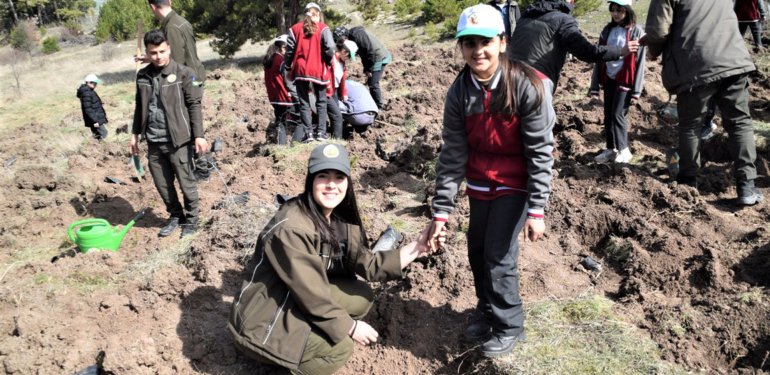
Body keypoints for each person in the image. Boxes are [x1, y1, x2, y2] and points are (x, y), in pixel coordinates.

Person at [228, 143, 443, 375]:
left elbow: (370, 265)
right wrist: (349, 326)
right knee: (339, 348)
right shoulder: (292, 227)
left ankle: (307, 331)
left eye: (339, 177)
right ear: (311, 181)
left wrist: (419, 246)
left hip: (293, 295)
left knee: (362, 297)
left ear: (347, 183)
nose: (332, 184)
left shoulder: (334, 218)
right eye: (323, 176)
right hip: (262, 321)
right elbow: (311, 295)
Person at [424, 5, 555, 358]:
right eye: (469, 43)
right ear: (461, 48)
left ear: (502, 42)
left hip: (515, 184)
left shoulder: (527, 86)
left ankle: (510, 326)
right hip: (480, 184)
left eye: (485, 42)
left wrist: (538, 208)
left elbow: (541, 152)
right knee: (477, 251)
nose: (477, 51)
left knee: (499, 256)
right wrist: (441, 212)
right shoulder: (459, 92)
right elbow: (452, 155)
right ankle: (487, 310)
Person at [645, 0, 764, 205]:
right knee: (739, 123)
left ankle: (688, 182)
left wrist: (652, 51)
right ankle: (747, 186)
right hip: (733, 60)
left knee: (691, 125)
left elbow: (658, 32)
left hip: (695, 64)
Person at [130, 30, 209, 237]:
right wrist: (134, 134)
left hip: (178, 141)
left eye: (162, 51)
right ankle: (176, 215)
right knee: (163, 185)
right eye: (153, 52)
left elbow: (194, 105)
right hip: (154, 141)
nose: (158, 56)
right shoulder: (143, 76)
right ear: (147, 52)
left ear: (169, 49)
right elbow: (140, 107)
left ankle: (192, 220)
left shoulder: (185, 73)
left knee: (186, 183)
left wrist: (199, 135)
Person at [136, 0, 212, 182]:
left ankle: (201, 168)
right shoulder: (180, 20)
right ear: (169, 1)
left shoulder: (170, 28)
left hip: (187, 81)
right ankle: (206, 162)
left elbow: (175, 62)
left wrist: (149, 59)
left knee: (186, 123)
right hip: (195, 76)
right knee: (191, 121)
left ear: (153, 7)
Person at [509, 0, 639, 91]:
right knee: (538, 128)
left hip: (509, 80)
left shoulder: (525, 17)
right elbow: (586, 51)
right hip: (536, 85)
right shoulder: (563, 21)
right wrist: (620, 51)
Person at [589, 0, 646, 164]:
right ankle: (610, 149)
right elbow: (599, 56)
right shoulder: (606, 31)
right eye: (612, 10)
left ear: (627, 11)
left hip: (625, 78)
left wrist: (637, 88)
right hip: (609, 77)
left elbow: (640, 60)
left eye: (619, 10)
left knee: (618, 114)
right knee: (608, 115)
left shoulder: (636, 31)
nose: (615, 14)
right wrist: (595, 83)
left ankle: (624, 150)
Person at [285, 2, 336, 143]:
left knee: (304, 102)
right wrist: (327, 60)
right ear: (319, 14)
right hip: (318, 68)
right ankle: (321, 132)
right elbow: (330, 47)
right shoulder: (323, 28)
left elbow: (289, 52)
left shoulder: (294, 29)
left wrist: (288, 68)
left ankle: (308, 134)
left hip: (300, 70)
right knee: (321, 101)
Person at [332, 26, 391, 110]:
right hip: (372, 57)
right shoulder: (351, 39)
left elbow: (369, 52)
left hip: (378, 57)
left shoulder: (358, 35)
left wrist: (369, 68)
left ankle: (379, 108)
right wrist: (366, 68)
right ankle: (374, 104)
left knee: (373, 83)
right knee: (371, 82)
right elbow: (363, 54)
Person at [264, 34, 295, 145]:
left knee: (280, 122)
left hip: (274, 97)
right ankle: (294, 144)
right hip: (284, 97)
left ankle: (281, 145)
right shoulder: (280, 60)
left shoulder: (270, 58)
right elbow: (288, 78)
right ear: (283, 47)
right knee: (299, 119)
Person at [325, 41, 356, 139]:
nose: (349, 59)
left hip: (334, 90)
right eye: (348, 56)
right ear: (343, 51)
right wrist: (327, 86)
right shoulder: (331, 59)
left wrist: (343, 93)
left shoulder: (342, 63)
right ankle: (338, 140)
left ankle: (336, 136)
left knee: (335, 115)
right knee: (337, 116)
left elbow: (342, 79)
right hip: (326, 91)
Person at [77, 74, 109, 141]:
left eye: (96, 83)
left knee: (97, 136)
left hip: (95, 118)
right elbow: (88, 109)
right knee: (104, 133)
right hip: (95, 119)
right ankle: (102, 147)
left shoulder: (89, 91)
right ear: (88, 83)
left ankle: (97, 148)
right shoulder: (86, 93)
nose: (96, 84)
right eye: (94, 83)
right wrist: (95, 121)